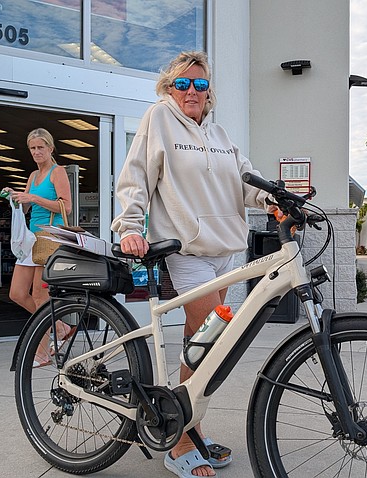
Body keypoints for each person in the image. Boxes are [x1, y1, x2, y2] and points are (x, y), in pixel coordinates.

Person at [112, 51, 275, 478]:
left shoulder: (220, 134)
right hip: (187, 251)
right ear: (168, 89)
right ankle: (181, 440)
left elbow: (245, 180)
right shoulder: (158, 120)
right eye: (182, 84)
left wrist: (273, 198)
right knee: (211, 344)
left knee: (201, 345)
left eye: (200, 85)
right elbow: (136, 176)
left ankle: (191, 429)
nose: (191, 92)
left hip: (224, 252)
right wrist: (130, 225)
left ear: (209, 93)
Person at [5, 128, 73, 367]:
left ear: (50, 148)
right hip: (31, 240)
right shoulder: (33, 176)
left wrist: (33, 198)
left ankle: (42, 352)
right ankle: (61, 326)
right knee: (17, 293)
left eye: (40, 148)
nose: (36, 152)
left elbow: (67, 207)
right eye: (32, 148)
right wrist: (16, 197)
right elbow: (25, 208)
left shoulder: (58, 172)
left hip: (49, 238)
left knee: (39, 295)